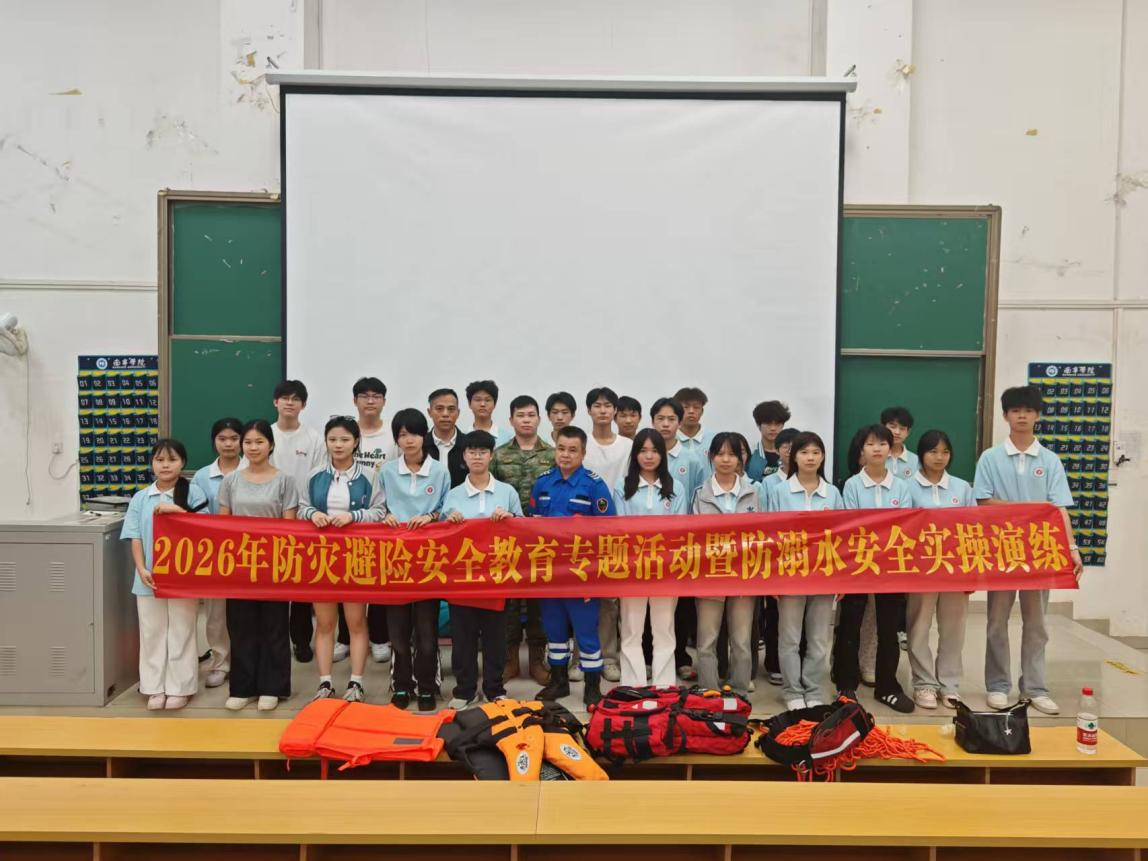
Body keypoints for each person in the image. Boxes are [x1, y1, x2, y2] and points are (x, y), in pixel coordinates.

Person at [974, 385, 1082, 715]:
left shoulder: (1049, 460)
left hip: (1040, 551)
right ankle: (997, 685)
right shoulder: (990, 458)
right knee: (996, 621)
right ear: (1005, 415)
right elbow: (983, 501)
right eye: (1015, 410)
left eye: (1028, 410)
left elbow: (1059, 508)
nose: (1022, 416)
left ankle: (1035, 687)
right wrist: (1029, 510)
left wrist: (1072, 548)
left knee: (1037, 624)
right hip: (1002, 549)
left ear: (1037, 416)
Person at [298, 417, 386, 703]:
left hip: (355, 556)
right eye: (333, 439)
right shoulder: (314, 475)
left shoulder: (370, 475)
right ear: (326, 441)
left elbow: (379, 511)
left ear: (356, 442)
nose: (338, 445)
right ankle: (324, 683)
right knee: (325, 624)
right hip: (321, 557)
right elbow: (301, 507)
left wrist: (354, 516)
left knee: (356, 622)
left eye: (345, 440)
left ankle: (356, 683)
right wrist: (313, 514)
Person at [531, 426, 617, 706]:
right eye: (561, 449)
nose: (566, 455)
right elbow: (531, 525)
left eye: (572, 450)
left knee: (586, 632)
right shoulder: (543, 482)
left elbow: (608, 530)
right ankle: (559, 683)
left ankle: (593, 687)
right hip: (550, 572)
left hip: (581, 574)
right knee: (554, 630)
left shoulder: (594, 485)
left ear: (583, 453)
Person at [834, 424, 915, 713]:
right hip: (858, 565)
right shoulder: (852, 485)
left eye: (882, 444)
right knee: (851, 624)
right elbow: (852, 525)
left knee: (889, 628)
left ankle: (887, 687)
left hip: (892, 566)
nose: (877, 449)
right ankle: (846, 685)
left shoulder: (902, 487)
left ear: (890, 449)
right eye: (870, 444)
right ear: (862, 451)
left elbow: (904, 524)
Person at [218, 419, 299, 711]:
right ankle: (243, 687)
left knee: (274, 626)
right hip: (239, 565)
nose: (253, 448)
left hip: (273, 564)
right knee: (241, 626)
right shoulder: (231, 481)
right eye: (248, 443)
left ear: (271, 445)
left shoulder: (285, 480)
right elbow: (223, 525)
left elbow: (289, 527)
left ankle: (272, 687)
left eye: (259, 442)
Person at [121, 438, 207, 710]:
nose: (165, 465)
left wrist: (177, 510)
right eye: (159, 460)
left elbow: (205, 530)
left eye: (172, 459)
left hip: (183, 578)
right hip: (148, 578)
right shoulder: (140, 498)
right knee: (152, 633)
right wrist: (141, 568)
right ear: (152, 464)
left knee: (182, 631)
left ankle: (181, 688)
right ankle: (153, 687)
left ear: (183, 463)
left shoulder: (193, 493)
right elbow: (135, 536)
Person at [442, 431, 523, 708]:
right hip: (462, 577)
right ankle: (464, 690)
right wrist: (449, 521)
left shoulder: (507, 492)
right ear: (464, 456)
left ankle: (494, 688)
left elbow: (523, 529)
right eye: (472, 452)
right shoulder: (453, 495)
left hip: (496, 577)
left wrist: (510, 518)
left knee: (495, 637)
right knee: (463, 638)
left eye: (483, 452)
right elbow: (440, 538)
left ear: (491, 455)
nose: (477, 457)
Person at [378, 408, 450, 711]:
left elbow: (447, 509)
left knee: (426, 630)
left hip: (427, 560)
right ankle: (401, 685)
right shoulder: (386, 471)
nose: (409, 440)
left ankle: (427, 686)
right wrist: (385, 515)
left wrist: (430, 516)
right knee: (397, 631)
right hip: (394, 560)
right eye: (403, 435)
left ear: (424, 436)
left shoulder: (440, 471)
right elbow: (378, 506)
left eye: (415, 434)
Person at [767, 432, 843, 710]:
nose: (810, 458)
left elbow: (841, 538)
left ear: (823, 457)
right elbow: (771, 537)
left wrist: (841, 579)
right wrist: (773, 579)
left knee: (819, 639)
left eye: (816, 452)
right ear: (794, 457)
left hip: (823, 576)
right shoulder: (780, 492)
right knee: (789, 638)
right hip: (789, 575)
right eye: (804, 452)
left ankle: (813, 690)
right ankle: (792, 691)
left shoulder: (832, 493)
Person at [906, 429, 975, 710]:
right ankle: (924, 683)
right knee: (918, 627)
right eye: (933, 451)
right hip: (920, 570)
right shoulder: (906, 487)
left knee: (953, 629)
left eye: (945, 452)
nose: (939, 457)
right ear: (921, 454)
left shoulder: (962, 488)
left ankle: (949, 684)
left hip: (955, 570)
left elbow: (974, 530)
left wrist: (971, 571)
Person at [613, 429, 686, 686]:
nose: (648, 456)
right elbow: (619, 528)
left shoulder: (676, 487)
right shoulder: (622, 487)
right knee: (631, 629)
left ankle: (664, 684)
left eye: (654, 451)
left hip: (665, 569)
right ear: (635, 455)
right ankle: (633, 684)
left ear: (662, 455)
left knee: (664, 629)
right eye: (643, 451)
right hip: (632, 568)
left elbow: (680, 530)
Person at [491, 394, 556, 687]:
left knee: (538, 602)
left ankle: (538, 661)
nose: (526, 420)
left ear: (539, 419)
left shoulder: (552, 455)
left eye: (531, 415)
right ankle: (510, 659)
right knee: (509, 603)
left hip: (542, 543)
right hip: (507, 543)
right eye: (521, 415)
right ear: (511, 420)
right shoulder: (498, 455)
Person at [691, 432, 759, 696]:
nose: (726, 459)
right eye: (720, 454)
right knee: (707, 639)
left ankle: (739, 690)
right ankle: (708, 689)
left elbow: (762, 534)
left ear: (741, 459)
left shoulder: (753, 493)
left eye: (732, 454)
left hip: (744, 575)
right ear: (711, 457)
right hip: (711, 576)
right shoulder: (700, 494)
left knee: (741, 640)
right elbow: (693, 537)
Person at [268, 379, 326, 664]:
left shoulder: (314, 439)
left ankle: (301, 640)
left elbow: (318, 478)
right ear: (275, 402)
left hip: (303, 517)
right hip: (269, 520)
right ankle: (275, 639)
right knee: (274, 583)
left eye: (295, 399)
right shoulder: (264, 434)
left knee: (303, 583)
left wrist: (307, 509)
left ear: (303, 405)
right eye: (284, 398)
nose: (289, 403)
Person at [650, 397, 707, 681]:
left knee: (681, 605)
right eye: (660, 419)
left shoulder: (692, 459)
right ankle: (649, 658)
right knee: (648, 604)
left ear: (679, 422)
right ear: (652, 421)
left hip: (682, 545)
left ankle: (681, 656)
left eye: (671, 419)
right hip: (649, 546)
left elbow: (700, 497)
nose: (665, 424)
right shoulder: (644, 453)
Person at [190, 417, 243, 689]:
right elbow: (196, 516)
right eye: (222, 439)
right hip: (214, 554)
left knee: (245, 612)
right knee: (215, 614)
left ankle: (244, 663)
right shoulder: (202, 476)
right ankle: (221, 663)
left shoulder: (254, 469)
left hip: (247, 553)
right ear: (214, 442)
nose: (228, 444)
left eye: (234, 438)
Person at [583, 386, 631, 683]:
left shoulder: (627, 446)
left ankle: (610, 657)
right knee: (582, 597)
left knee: (611, 600)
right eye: (597, 405)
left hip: (617, 530)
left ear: (615, 411)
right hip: (584, 531)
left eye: (607, 406)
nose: (602, 410)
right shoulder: (581, 443)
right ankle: (583, 656)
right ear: (589, 410)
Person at [350, 376, 394, 665]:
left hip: (382, 517)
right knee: (347, 579)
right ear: (355, 401)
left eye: (376, 396)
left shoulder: (392, 435)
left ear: (383, 401)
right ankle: (346, 637)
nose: (370, 400)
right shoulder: (346, 432)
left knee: (379, 579)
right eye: (364, 396)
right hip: (348, 519)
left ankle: (379, 637)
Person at [426, 388, 466, 488]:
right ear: (429, 412)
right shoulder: (420, 446)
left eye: (451, 409)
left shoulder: (469, 445)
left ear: (458, 412)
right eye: (439, 409)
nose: (445, 414)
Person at [747, 400, 791, 482]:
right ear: (758, 425)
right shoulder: (749, 454)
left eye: (777, 424)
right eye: (768, 424)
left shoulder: (792, 454)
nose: (773, 428)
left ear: (783, 425)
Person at [466, 380, 513, 446]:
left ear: (495, 404)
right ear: (469, 404)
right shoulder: (462, 437)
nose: (482, 404)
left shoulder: (508, 439)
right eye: (478, 400)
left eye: (487, 400)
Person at [882, 406, 918, 481]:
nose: (897, 432)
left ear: (908, 432)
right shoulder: (875, 456)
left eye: (902, 428)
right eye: (893, 427)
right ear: (883, 427)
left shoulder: (916, 461)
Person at [674, 386, 714, 455]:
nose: (691, 411)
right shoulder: (669, 439)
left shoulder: (713, 439)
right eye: (686, 407)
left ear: (702, 411)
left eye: (696, 407)